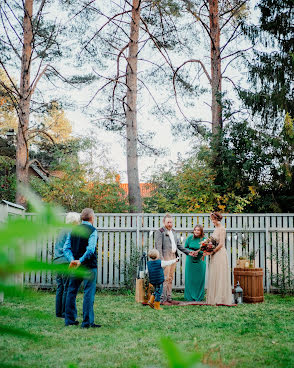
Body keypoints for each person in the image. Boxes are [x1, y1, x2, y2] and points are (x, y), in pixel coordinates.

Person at [63, 208, 101, 328]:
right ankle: (87, 322)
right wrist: (81, 260)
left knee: (72, 291)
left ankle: (69, 320)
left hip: (75, 267)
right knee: (88, 293)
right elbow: (90, 249)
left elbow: (66, 248)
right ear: (92, 218)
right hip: (89, 267)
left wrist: (72, 260)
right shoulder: (93, 230)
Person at [154, 214, 194, 305]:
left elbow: (178, 245)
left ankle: (169, 298)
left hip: (173, 257)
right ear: (164, 222)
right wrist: (162, 260)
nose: (170, 224)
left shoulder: (174, 232)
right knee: (164, 279)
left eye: (171, 222)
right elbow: (158, 247)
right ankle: (162, 299)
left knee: (170, 278)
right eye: (168, 222)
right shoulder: (159, 232)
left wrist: (188, 252)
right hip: (165, 258)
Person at [53, 212, 80, 318]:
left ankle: (58, 312)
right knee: (67, 286)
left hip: (57, 261)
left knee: (60, 287)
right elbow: (71, 248)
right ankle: (64, 313)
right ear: (74, 221)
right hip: (65, 261)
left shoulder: (61, 231)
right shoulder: (71, 231)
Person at [205, 212, 232, 305]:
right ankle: (214, 297)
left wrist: (212, 251)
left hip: (220, 253)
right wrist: (205, 245)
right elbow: (212, 240)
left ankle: (221, 298)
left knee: (220, 274)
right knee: (215, 273)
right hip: (214, 253)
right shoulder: (215, 229)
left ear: (217, 219)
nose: (212, 221)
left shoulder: (222, 229)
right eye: (211, 219)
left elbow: (221, 244)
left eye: (213, 219)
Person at [184, 225, 206, 302]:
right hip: (190, 260)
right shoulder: (190, 238)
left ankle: (199, 296)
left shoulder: (204, 239)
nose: (196, 231)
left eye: (198, 230)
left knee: (199, 279)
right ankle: (189, 296)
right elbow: (185, 247)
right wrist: (191, 252)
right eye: (195, 230)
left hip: (200, 261)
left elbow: (206, 250)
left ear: (201, 231)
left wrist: (198, 252)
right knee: (190, 278)